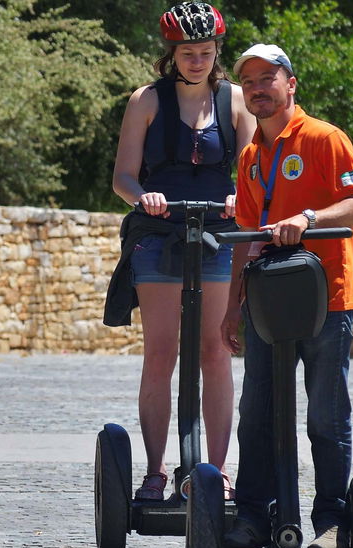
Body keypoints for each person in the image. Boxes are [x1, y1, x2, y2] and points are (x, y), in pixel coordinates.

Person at [220, 44, 353, 548]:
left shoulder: (325, 139)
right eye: (250, 81)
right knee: (257, 412)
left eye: (269, 77)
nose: (258, 87)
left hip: (326, 299)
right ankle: (253, 517)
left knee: (325, 417)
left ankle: (331, 523)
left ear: (291, 85)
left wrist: (307, 218)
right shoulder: (249, 157)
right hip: (267, 304)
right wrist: (231, 307)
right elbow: (245, 235)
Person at [106, 2, 254, 501]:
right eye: (188, 53)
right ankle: (154, 471)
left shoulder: (235, 103)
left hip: (217, 235)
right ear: (172, 54)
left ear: (217, 53)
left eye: (206, 52)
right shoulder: (146, 100)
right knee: (161, 353)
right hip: (160, 232)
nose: (197, 61)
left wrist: (241, 197)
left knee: (216, 351)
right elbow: (123, 176)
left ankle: (216, 473)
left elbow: (252, 174)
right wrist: (141, 195)